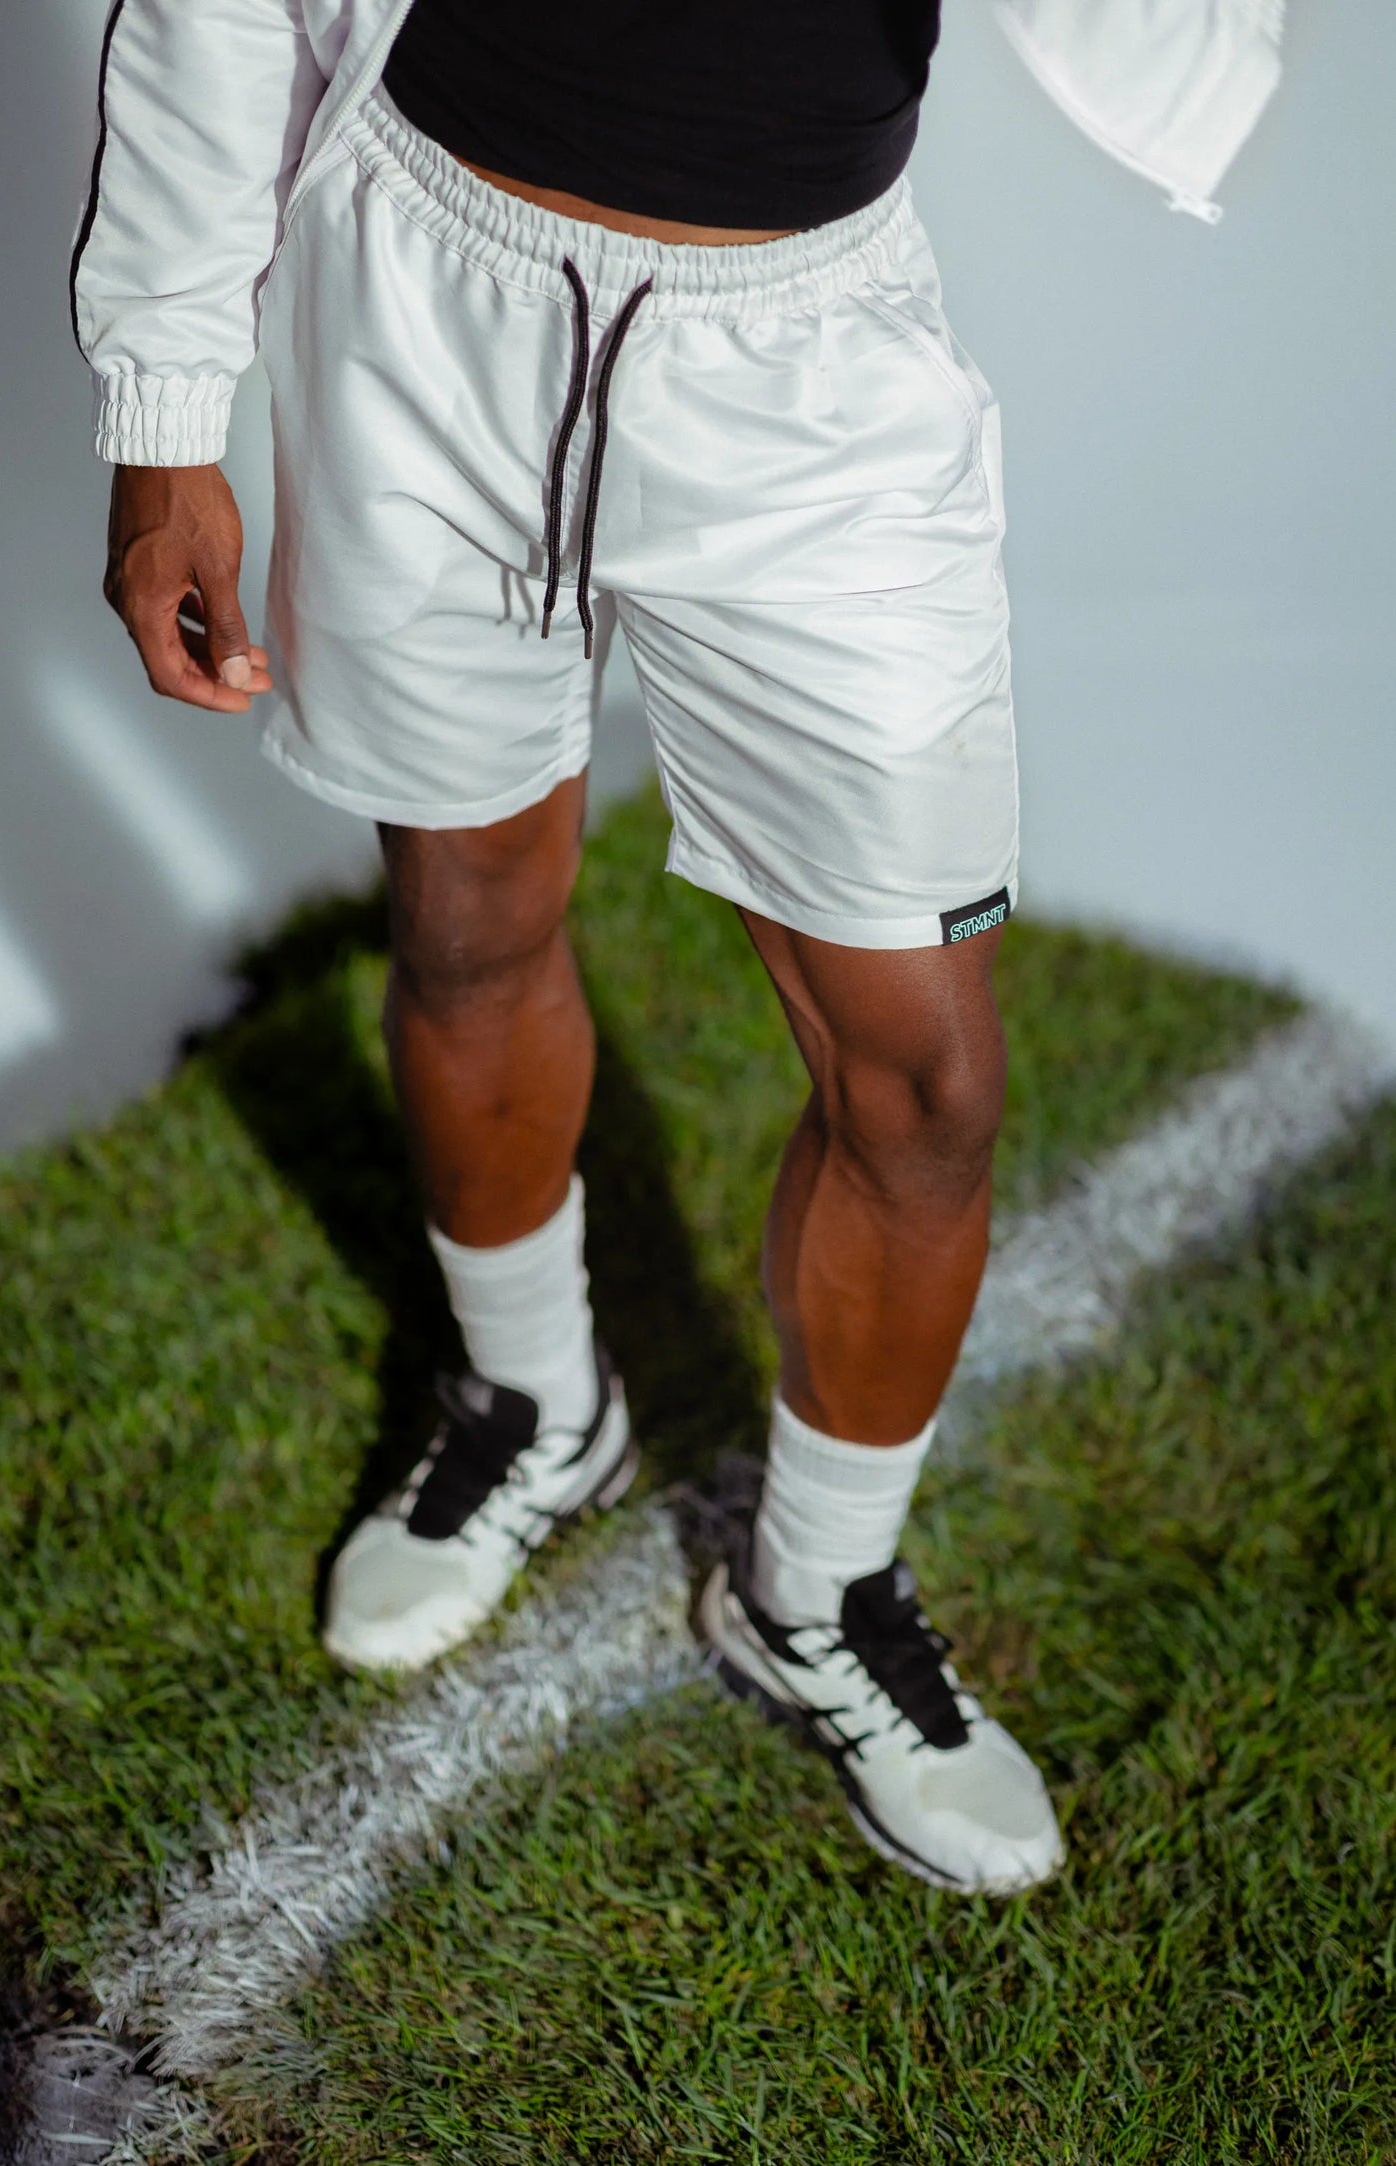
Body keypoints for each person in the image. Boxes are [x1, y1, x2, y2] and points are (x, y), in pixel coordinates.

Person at [73, 0, 1282, 1896]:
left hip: (805, 358)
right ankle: (533, 1400)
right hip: (428, 288)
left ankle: (816, 1586)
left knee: (922, 1081)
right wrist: (159, 410)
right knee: (467, 919)